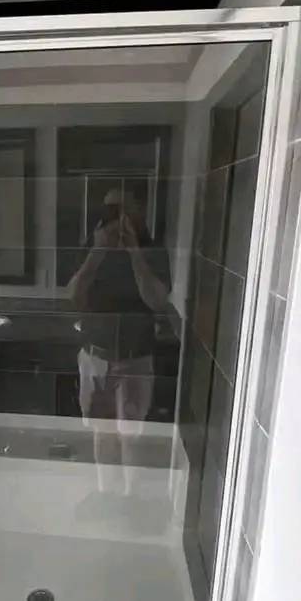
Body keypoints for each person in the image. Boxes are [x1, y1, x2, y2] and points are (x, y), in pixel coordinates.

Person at [68, 186, 171, 499]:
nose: (119, 219)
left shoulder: (153, 251)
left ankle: (131, 498)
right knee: (103, 433)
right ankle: (104, 494)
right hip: (95, 357)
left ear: (139, 215)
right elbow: (73, 295)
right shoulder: (91, 248)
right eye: (111, 212)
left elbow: (157, 302)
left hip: (135, 357)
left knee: (131, 435)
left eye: (125, 211)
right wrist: (98, 252)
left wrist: (135, 254)